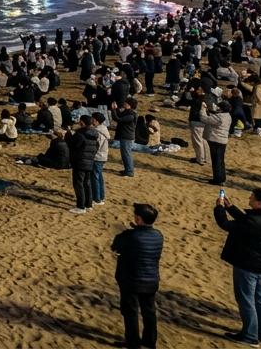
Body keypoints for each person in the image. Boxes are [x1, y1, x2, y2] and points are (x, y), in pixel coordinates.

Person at [214, 188, 261, 346]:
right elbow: (246, 221)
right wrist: (231, 207)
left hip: (248, 265)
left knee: (246, 300)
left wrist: (220, 208)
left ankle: (250, 336)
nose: (249, 197)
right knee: (260, 299)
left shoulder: (254, 222)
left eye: (253, 197)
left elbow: (226, 224)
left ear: (259, 203)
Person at [110, 203, 163, 349]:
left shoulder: (130, 235)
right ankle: (149, 341)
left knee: (131, 312)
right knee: (149, 311)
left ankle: (133, 343)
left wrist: (132, 230)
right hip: (151, 279)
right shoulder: (158, 235)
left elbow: (116, 246)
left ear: (139, 219)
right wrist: (136, 229)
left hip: (132, 280)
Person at [67, 116, 99, 213]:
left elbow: (72, 145)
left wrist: (68, 135)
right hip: (90, 161)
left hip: (80, 161)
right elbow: (96, 147)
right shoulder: (95, 134)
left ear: (82, 122)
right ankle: (88, 204)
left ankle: (81, 206)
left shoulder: (80, 134)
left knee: (78, 184)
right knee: (87, 183)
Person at [201, 100, 233, 186]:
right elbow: (216, 115)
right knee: (220, 160)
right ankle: (222, 178)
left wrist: (203, 110)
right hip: (222, 141)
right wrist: (210, 111)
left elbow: (204, 119)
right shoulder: (228, 116)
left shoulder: (219, 117)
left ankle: (217, 179)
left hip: (216, 140)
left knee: (216, 160)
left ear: (222, 109)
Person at [113, 98, 138, 177]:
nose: (124, 103)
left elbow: (118, 119)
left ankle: (129, 171)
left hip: (127, 137)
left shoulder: (131, 115)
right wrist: (116, 108)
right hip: (125, 136)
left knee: (126, 154)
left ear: (129, 105)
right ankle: (127, 169)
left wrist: (113, 109)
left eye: (125, 102)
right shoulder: (127, 112)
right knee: (125, 154)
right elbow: (119, 115)